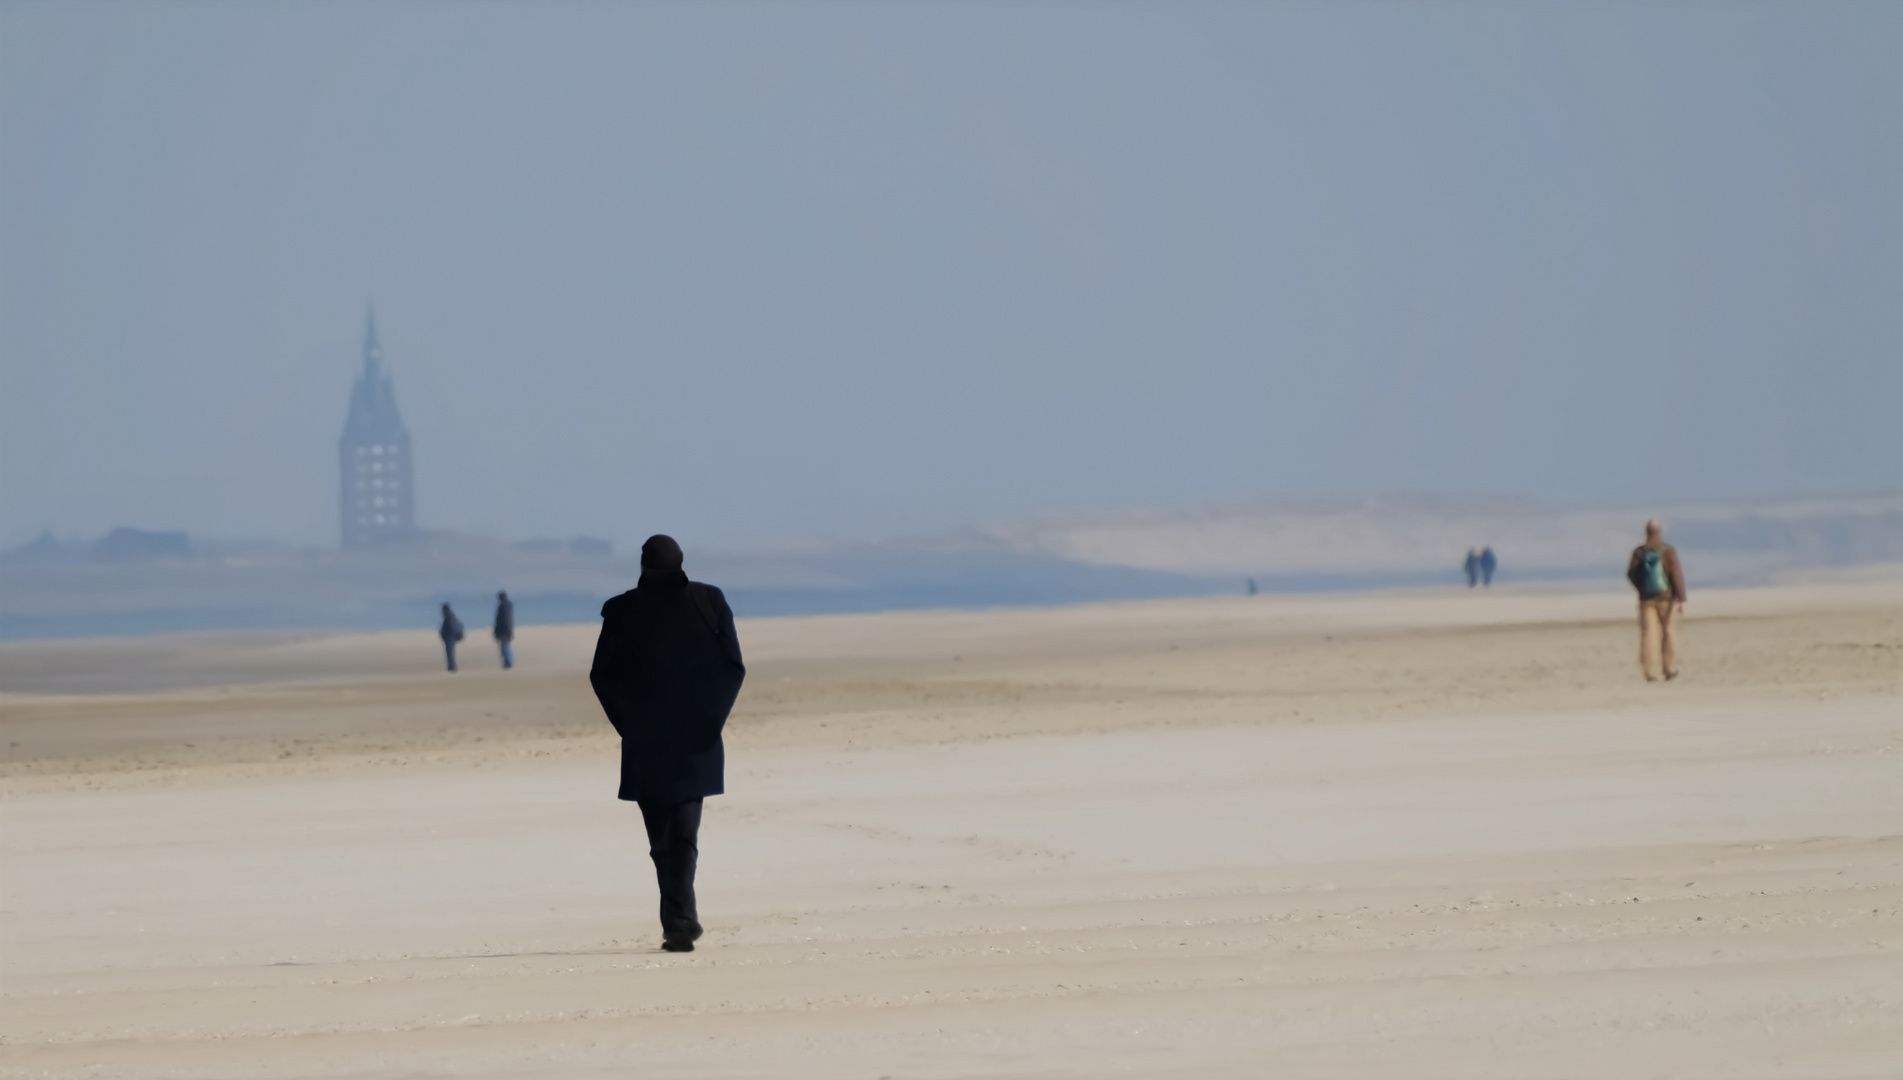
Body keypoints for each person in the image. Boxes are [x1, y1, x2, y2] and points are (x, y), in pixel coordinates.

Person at [589, 534, 745, 953]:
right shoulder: (707, 601)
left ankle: (679, 922)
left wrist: (630, 722)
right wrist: (710, 717)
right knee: (682, 836)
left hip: (650, 738)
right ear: (680, 562)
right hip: (694, 737)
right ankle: (679, 920)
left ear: (643, 564)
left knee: (663, 839)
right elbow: (732, 667)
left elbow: (601, 675)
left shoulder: (626, 609)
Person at [1625, 519, 1687, 682]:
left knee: (1648, 636)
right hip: (1667, 600)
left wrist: (1642, 589)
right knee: (1669, 633)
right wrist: (1681, 598)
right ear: (1659, 531)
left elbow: (1630, 574)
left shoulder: (1639, 553)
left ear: (1646, 532)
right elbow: (1676, 574)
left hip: (1647, 601)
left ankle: (1650, 672)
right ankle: (1669, 668)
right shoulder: (1668, 551)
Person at [439, 602, 464, 672]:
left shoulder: (449, 616)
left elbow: (449, 627)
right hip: (450, 637)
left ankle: (452, 667)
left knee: (450, 653)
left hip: (450, 637)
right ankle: (451, 667)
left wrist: (445, 635)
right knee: (450, 653)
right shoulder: (449, 616)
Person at [493, 591, 514, 669]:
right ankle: (508, 662)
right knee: (505, 646)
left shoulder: (503, 606)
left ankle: (508, 663)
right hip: (507, 628)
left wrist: (498, 631)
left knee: (504, 647)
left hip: (504, 629)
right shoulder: (508, 605)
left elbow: (502, 620)